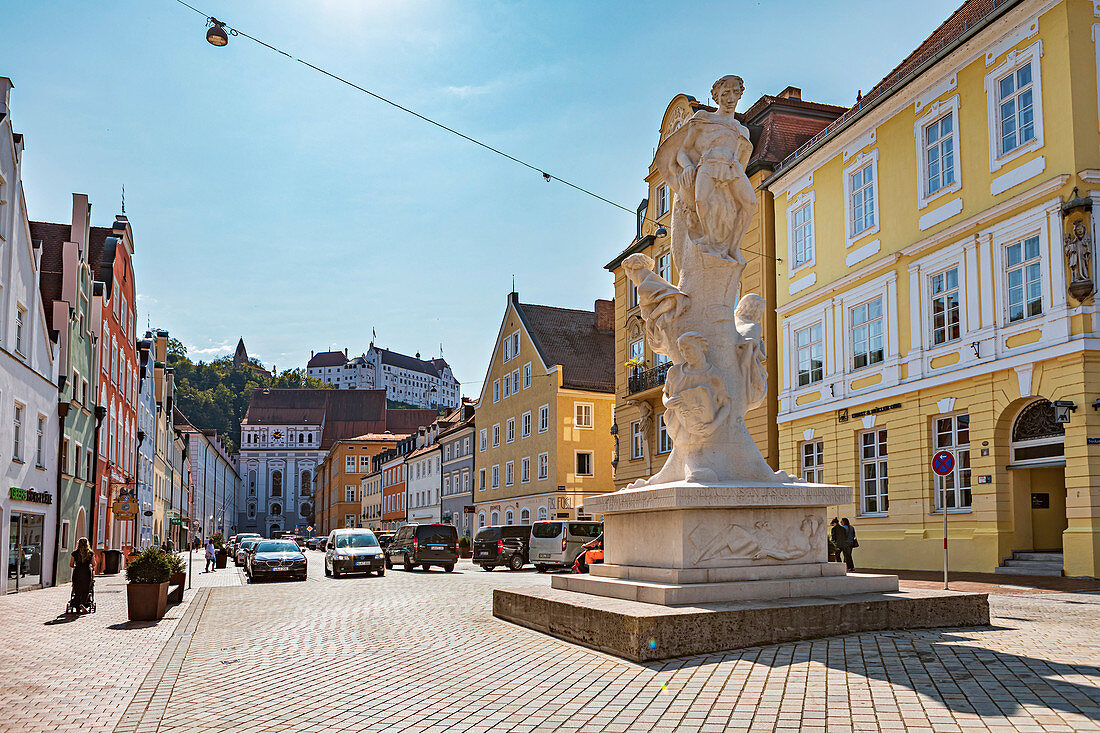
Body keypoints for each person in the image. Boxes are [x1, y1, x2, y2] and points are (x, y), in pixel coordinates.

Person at [69, 537, 95, 612]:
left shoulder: (74, 553)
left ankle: (77, 604)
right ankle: (83, 603)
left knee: (77, 588)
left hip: (77, 572)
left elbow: (71, 564)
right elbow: (94, 564)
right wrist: (89, 565)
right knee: (86, 589)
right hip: (86, 572)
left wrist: (76, 566)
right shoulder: (90, 553)